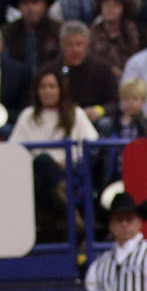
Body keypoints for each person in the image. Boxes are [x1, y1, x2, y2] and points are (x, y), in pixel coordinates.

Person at [9, 67, 98, 240]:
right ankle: (66, 206)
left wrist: (69, 162)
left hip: (68, 172)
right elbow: (15, 150)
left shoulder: (75, 114)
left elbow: (92, 145)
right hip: (34, 174)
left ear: (60, 89)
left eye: (51, 86)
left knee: (42, 163)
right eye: (42, 87)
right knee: (40, 164)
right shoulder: (28, 116)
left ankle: (61, 202)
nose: (47, 91)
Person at [47, 20, 119, 123]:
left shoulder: (102, 69)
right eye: (69, 45)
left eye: (79, 44)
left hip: (93, 122)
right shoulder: (51, 70)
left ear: (87, 44)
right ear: (61, 45)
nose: (75, 49)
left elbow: (114, 102)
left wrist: (98, 110)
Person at [3, 0, 61, 76]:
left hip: (51, 85)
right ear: (19, 7)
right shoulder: (8, 32)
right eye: (25, 3)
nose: (30, 8)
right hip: (17, 86)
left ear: (45, 5)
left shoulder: (58, 30)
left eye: (35, 2)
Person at [87, 0, 142, 79]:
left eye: (115, 4)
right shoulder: (92, 32)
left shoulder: (130, 31)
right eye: (106, 4)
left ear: (123, 8)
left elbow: (137, 59)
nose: (110, 8)